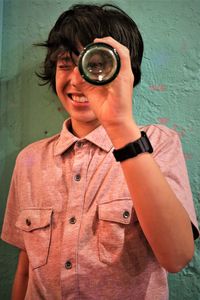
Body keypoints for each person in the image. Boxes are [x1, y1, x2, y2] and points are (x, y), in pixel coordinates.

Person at [1, 3, 199, 300]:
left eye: (96, 64)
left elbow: (177, 256)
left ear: (125, 74)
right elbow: (26, 269)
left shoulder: (158, 144)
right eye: (66, 63)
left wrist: (120, 124)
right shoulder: (30, 159)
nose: (79, 79)